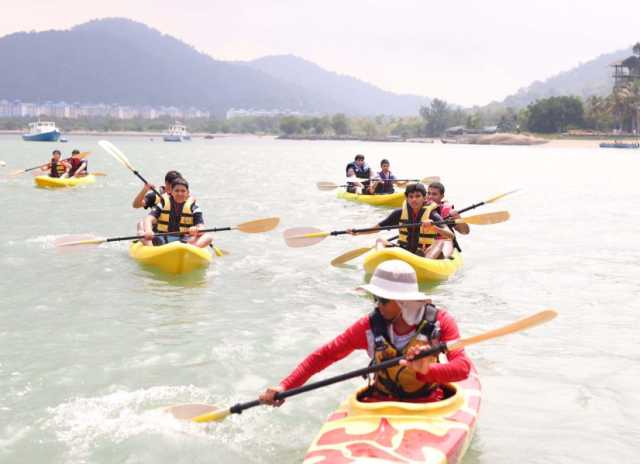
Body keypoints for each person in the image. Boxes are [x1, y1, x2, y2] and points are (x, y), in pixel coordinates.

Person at [259, 260, 472, 406]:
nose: (377, 305)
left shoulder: (440, 322)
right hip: (378, 405)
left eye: (383, 300)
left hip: (428, 406)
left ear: (404, 302)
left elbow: (462, 368)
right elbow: (325, 355)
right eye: (375, 299)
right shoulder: (369, 326)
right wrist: (285, 386)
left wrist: (428, 371)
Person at [348, 183, 454, 257]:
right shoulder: (399, 213)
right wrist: (358, 232)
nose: (414, 199)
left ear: (424, 198)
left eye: (418, 196)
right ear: (406, 198)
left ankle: (425, 264)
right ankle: (382, 262)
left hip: (424, 251)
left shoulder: (432, 214)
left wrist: (433, 227)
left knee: (439, 243)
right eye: (411, 196)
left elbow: (450, 235)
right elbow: (378, 228)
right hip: (404, 249)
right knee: (380, 241)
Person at [142, 177, 213, 248]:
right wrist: (148, 230)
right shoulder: (163, 204)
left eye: (183, 191)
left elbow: (201, 226)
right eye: (177, 191)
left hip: (184, 241)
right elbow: (149, 219)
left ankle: (190, 250)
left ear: (188, 193)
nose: (180, 193)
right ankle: (152, 250)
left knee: (208, 237)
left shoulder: (194, 208)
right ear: (171, 192)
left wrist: (196, 229)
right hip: (162, 240)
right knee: (141, 233)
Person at [426, 182, 469, 259]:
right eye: (428, 193)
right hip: (427, 241)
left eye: (434, 194)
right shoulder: (421, 207)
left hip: (445, 241)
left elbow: (465, 232)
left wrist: (458, 218)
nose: (430, 196)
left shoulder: (447, 211)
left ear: (441, 196)